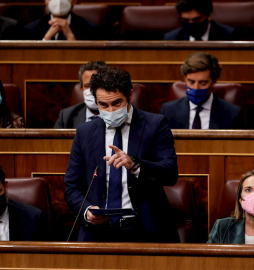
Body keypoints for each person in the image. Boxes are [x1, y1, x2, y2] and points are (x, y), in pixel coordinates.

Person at [64, 66, 180, 242]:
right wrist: (87, 211)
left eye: (117, 103)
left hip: (144, 230)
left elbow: (170, 173)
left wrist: (135, 165)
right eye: (103, 104)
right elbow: (72, 186)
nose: (110, 111)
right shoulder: (85, 132)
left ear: (130, 96)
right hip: (97, 232)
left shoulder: (155, 125)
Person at [160, 52, 245, 129]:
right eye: (191, 82)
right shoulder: (168, 111)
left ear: (214, 81)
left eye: (203, 83)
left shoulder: (232, 114)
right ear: (185, 79)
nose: (196, 88)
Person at [54, 61, 108, 128]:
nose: (92, 90)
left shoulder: (119, 115)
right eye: (87, 86)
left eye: (97, 85)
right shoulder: (66, 116)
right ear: (81, 88)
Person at [23, 0, 100, 40]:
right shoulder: (30, 30)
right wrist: (46, 40)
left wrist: (71, 38)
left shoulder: (91, 30)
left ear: (74, 1)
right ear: (46, 1)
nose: (59, 1)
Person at [164, 0, 235, 41]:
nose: (191, 23)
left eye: (196, 19)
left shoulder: (228, 35)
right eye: (186, 20)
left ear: (209, 15)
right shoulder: (172, 38)